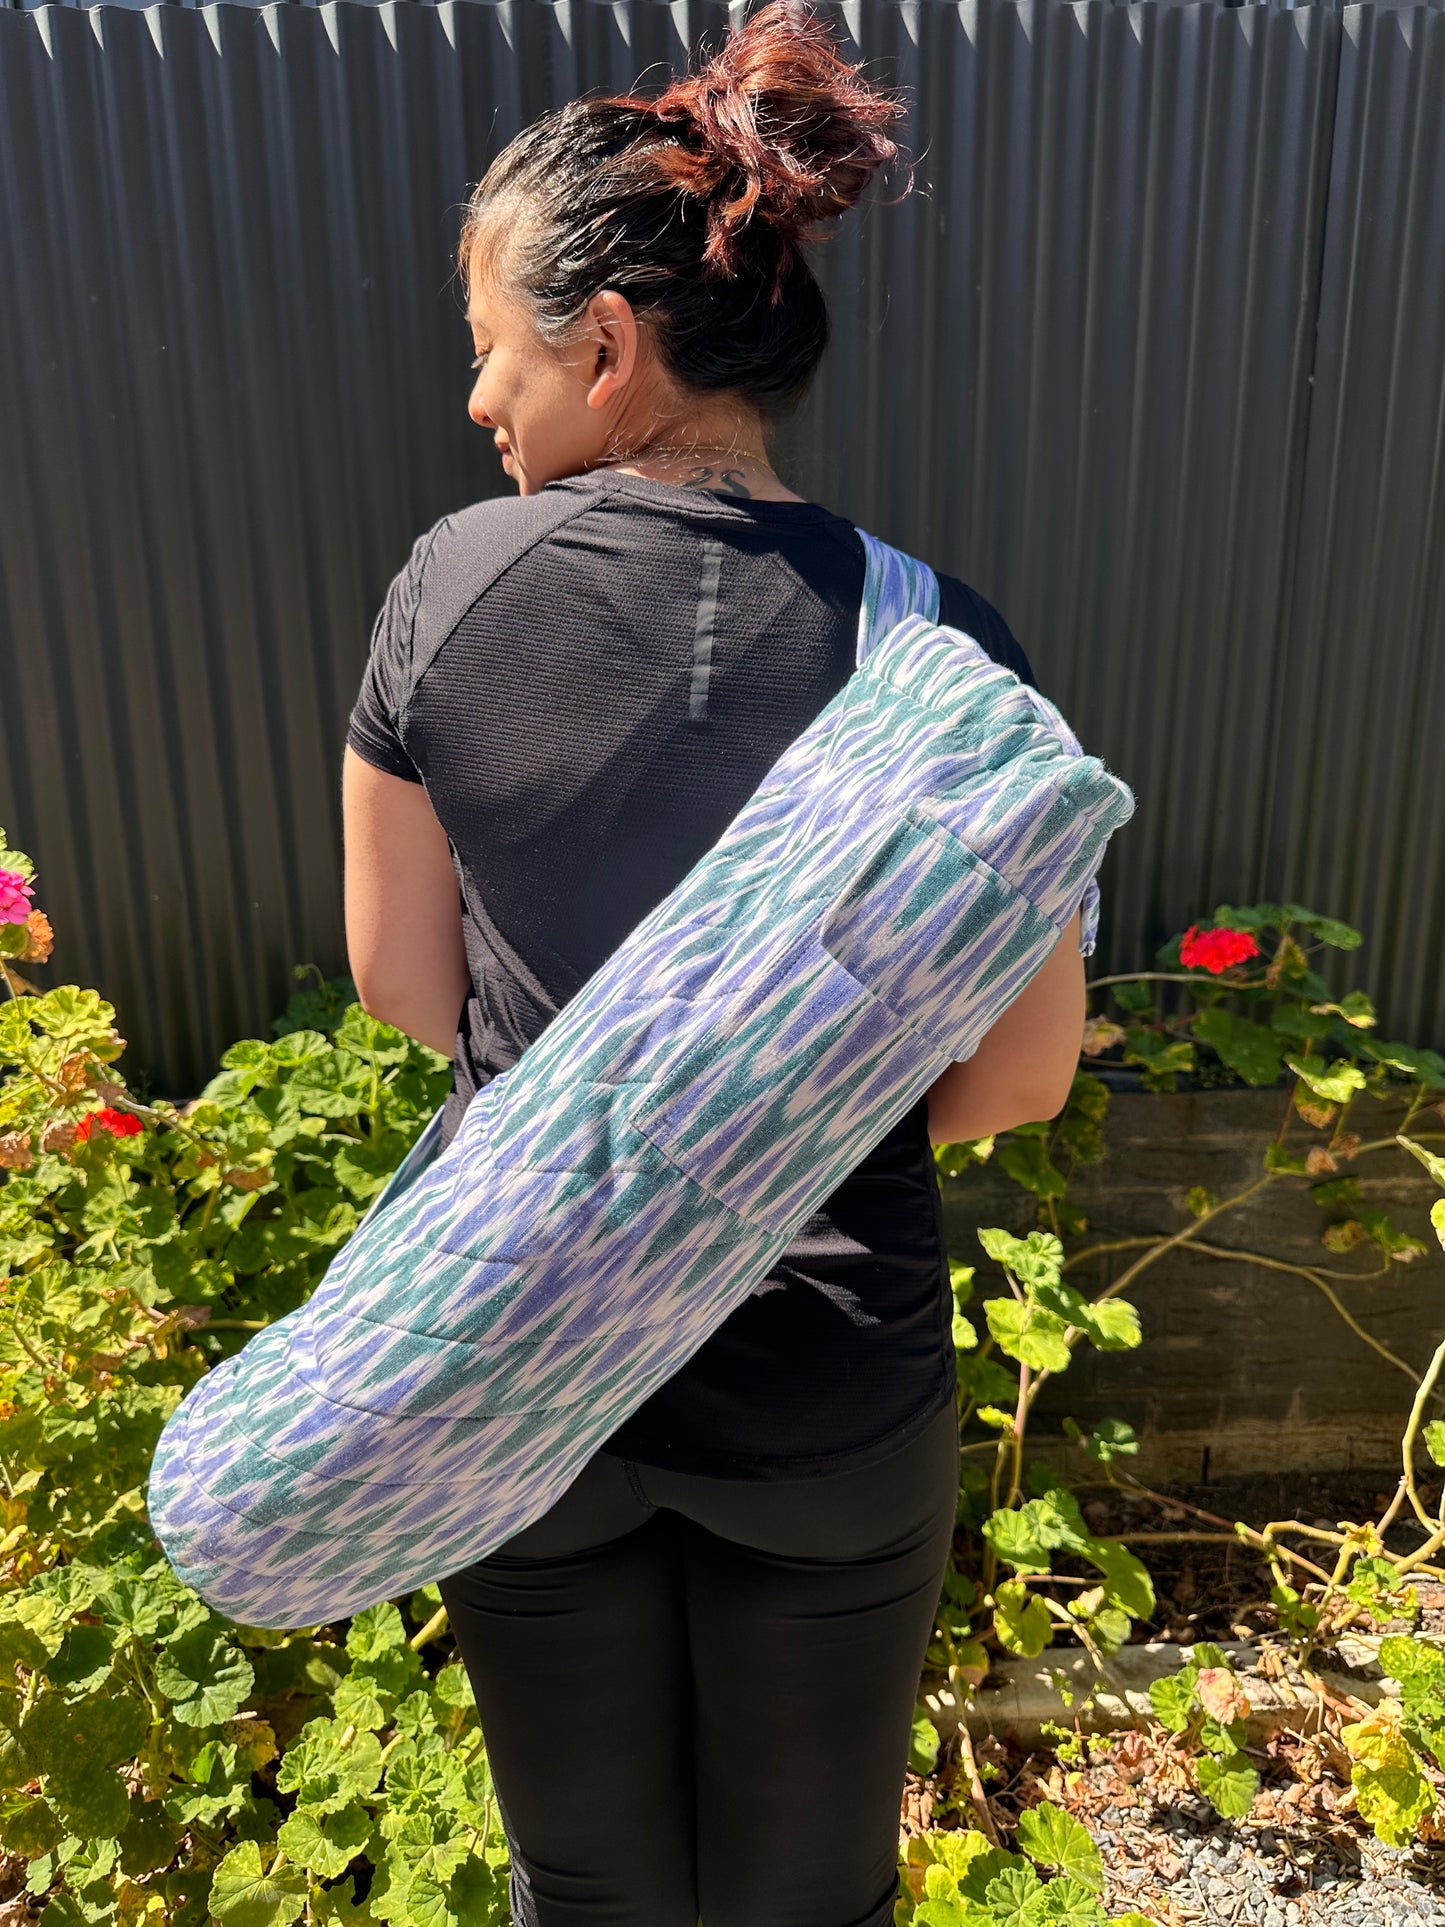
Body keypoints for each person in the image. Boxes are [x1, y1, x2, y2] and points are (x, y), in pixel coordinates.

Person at [340, 5, 1086, 1920]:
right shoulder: (940, 642)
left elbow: (403, 989)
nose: (484, 403)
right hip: (822, 1383)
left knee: (583, 1884)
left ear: (602, 342)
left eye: (495, 351)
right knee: (810, 1894)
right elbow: (1015, 1083)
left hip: (518, 1350)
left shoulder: (444, 591)